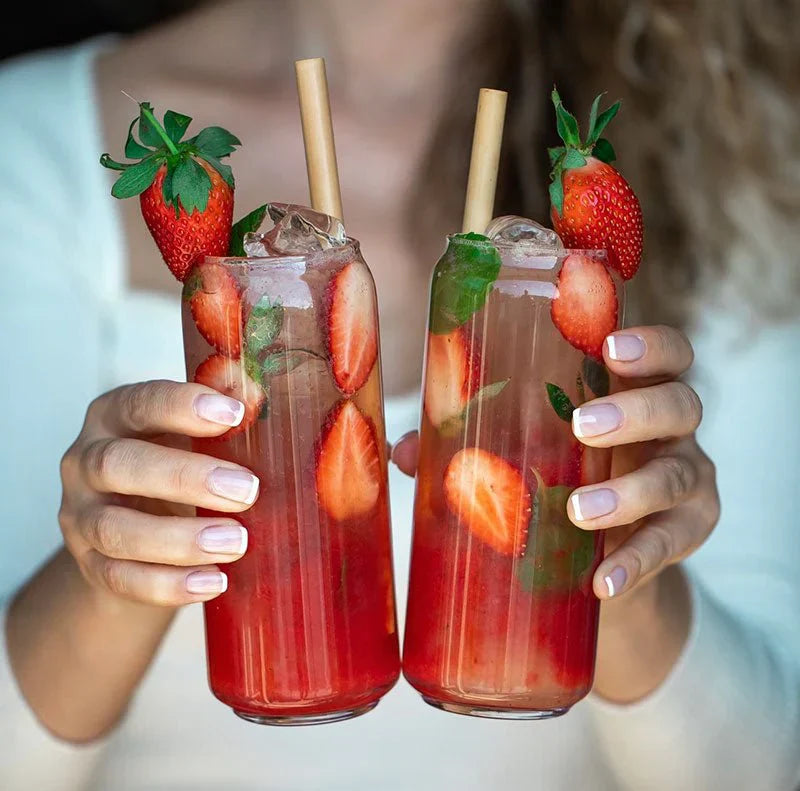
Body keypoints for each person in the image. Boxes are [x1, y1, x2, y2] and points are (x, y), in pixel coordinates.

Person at [1, 0, 799, 789]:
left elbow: (765, 770)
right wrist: (107, 576)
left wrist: (619, 569)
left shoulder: (726, 158)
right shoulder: (31, 143)